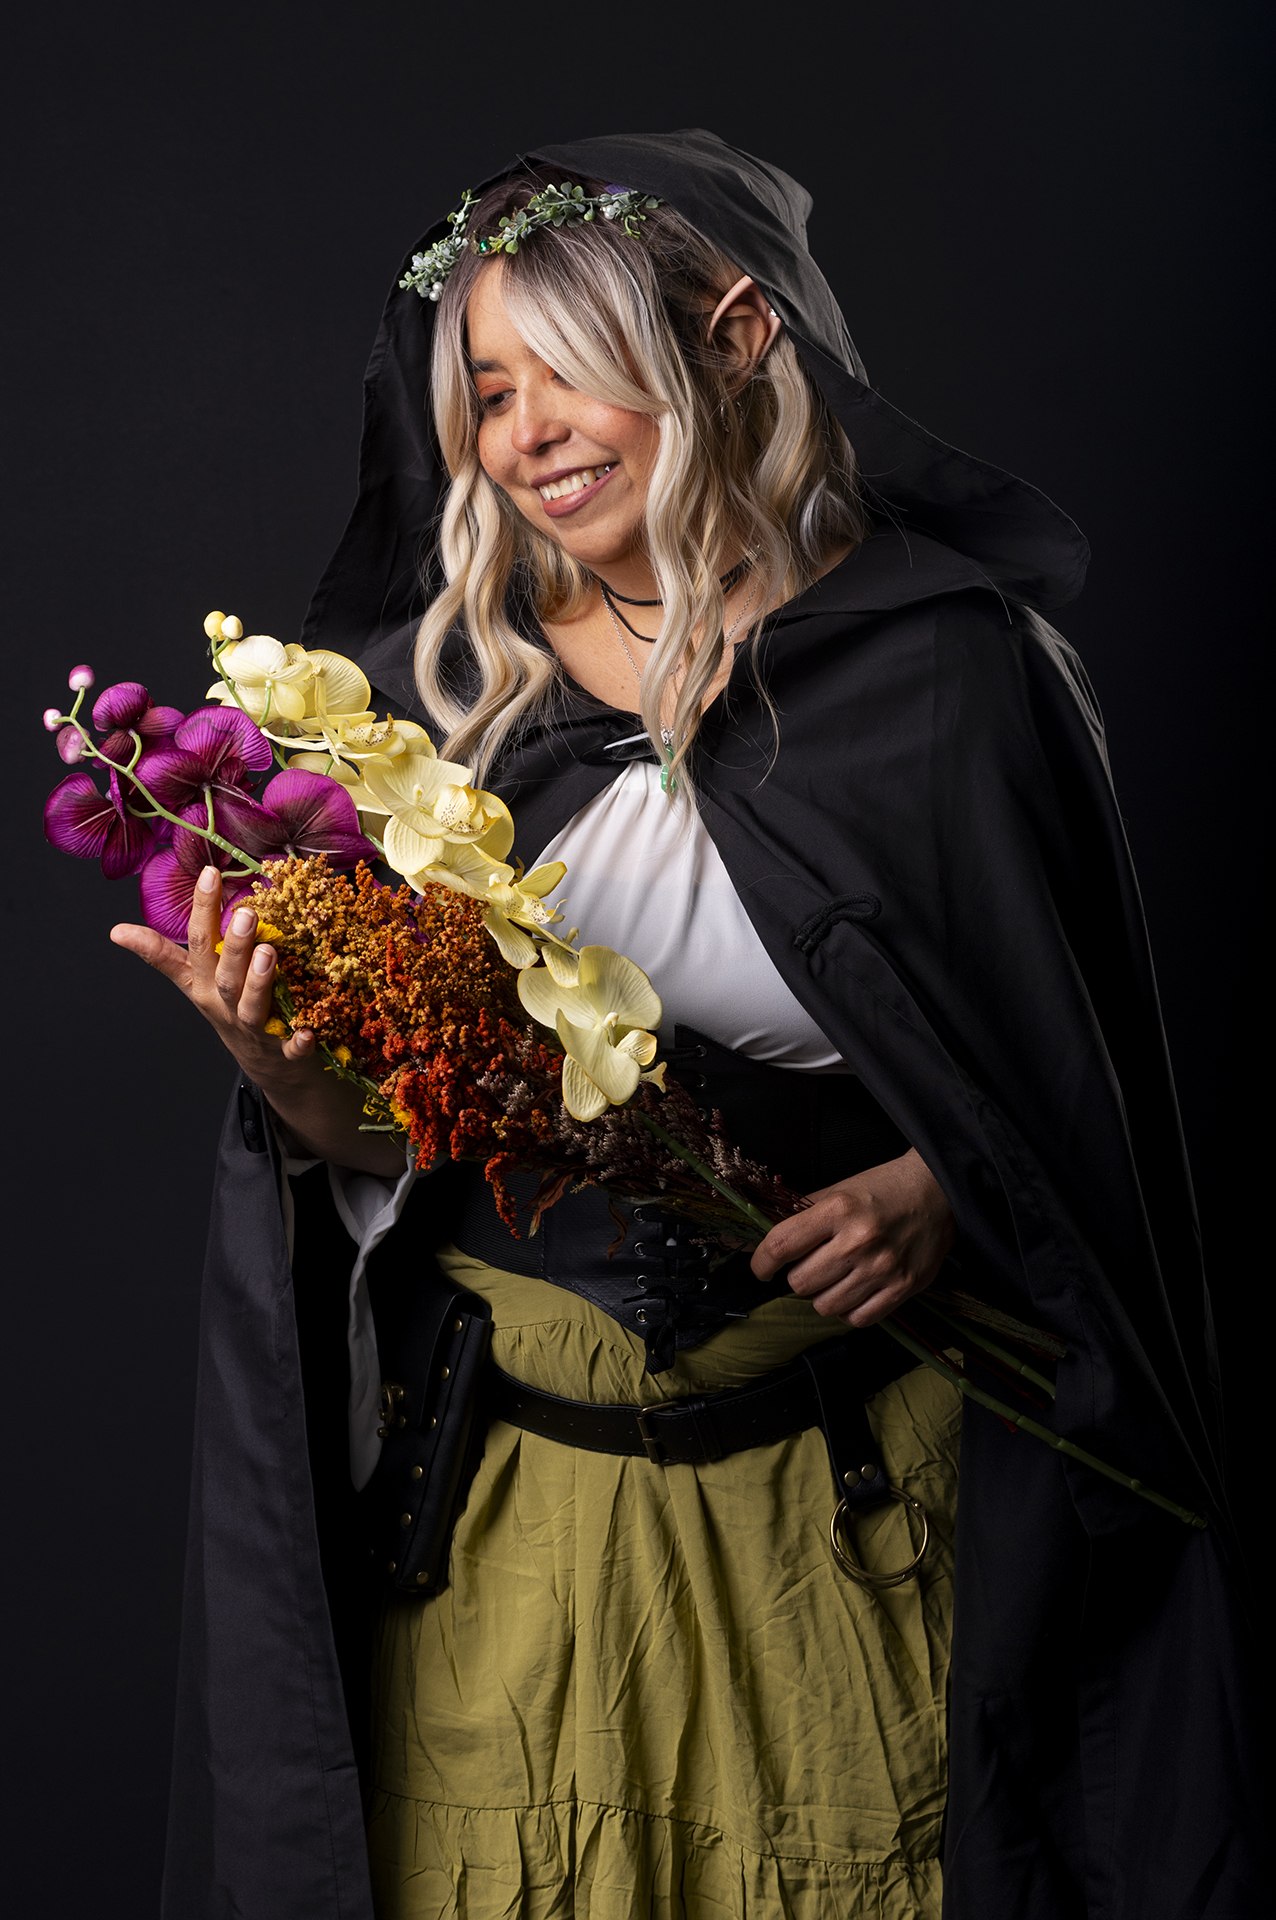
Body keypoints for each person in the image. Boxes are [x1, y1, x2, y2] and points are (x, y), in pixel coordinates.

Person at [116, 131, 1258, 1919]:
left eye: (569, 369)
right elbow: (401, 1140)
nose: (526, 433)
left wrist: (936, 1190)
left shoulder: (946, 669)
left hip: (840, 1506)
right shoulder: (436, 709)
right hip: (513, 1517)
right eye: (492, 389)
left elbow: (1070, 1090)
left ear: (733, 338)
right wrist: (283, 1071)